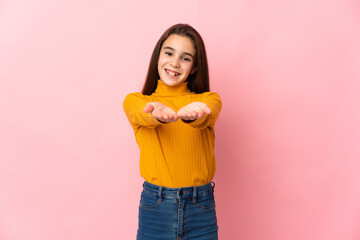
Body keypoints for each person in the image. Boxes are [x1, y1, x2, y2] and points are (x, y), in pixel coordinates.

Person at [123, 23, 222, 240]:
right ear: (158, 56)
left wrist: (195, 115)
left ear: (194, 67)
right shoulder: (137, 101)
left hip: (201, 208)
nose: (175, 63)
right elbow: (139, 112)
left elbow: (208, 113)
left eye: (185, 58)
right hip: (156, 208)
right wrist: (153, 113)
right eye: (169, 53)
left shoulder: (207, 100)